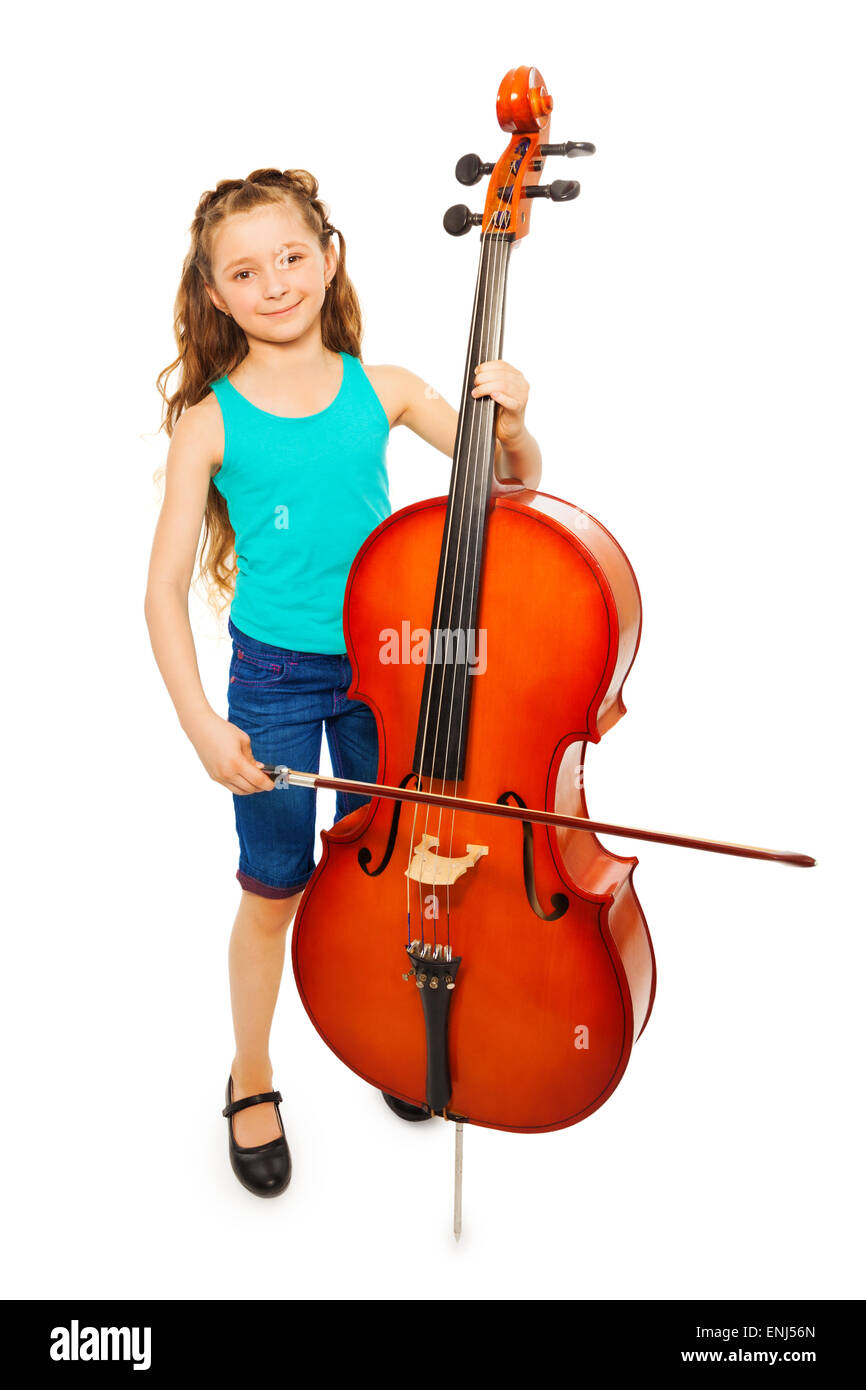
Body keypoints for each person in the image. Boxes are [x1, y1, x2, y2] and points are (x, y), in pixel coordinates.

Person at [144, 167, 542, 1199]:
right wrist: (199, 723)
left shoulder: (388, 387)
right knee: (274, 887)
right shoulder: (210, 421)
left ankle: (392, 1034)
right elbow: (158, 594)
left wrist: (512, 419)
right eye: (245, 270)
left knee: (402, 867)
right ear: (214, 293)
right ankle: (252, 1070)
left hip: (390, 667)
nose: (273, 281)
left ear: (328, 257)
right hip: (271, 678)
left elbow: (509, 486)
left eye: (289, 256)